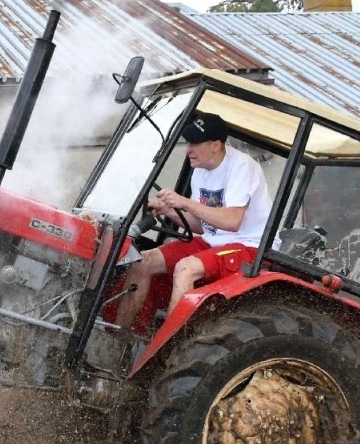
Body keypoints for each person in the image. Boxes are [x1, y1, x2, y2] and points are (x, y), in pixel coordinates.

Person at [115, 112, 273, 330]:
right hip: (215, 242)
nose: (189, 149)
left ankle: (165, 352)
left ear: (216, 145)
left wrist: (185, 202)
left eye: (196, 143)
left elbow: (232, 222)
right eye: (188, 142)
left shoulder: (241, 167)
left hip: (249, 248)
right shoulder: (200, 171)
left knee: (185, 268)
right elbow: (203, 225)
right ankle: (117, 338)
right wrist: (168, 210)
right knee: (142, 262)